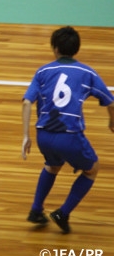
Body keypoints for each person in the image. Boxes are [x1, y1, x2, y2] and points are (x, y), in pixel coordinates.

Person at [21, 26, 114, 234]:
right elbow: (110, 102)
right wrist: (112, 122)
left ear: (54, 48)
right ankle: (63, 213)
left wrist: (26, 136)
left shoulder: (43, 71)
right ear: (76, 49)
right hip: (70, 136)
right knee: (92, 169)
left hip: (43, 134)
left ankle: (36, 210)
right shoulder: (87, 72)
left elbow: (27, 102)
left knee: (52, 166)